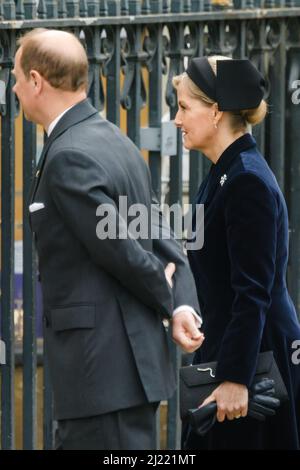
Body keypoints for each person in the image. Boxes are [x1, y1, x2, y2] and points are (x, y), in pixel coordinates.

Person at [12, 28, 205, 450]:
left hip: (102, 376)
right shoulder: (113, 138)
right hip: (118, 375)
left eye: (16, 76)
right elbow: (157, 229)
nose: (13, 87)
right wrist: (180, 303)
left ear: (37, 81)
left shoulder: (69, 156)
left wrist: (169, 294)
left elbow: (120, 250)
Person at [173, 56, 300, 449]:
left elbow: (254, 291)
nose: (177, 120)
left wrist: (235, 378)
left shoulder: (245, 180)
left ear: (215, 112)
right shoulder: (224, 170)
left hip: (255, 360)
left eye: (183, 108)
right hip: (233, 345)